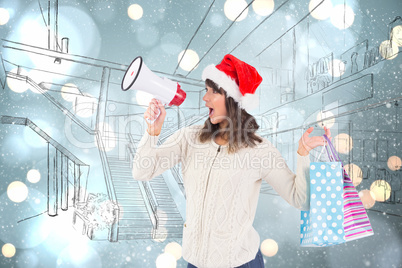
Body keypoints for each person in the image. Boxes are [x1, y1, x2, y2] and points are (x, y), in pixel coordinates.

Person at [132, 54, 332, 268]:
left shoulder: (259, 150)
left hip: (240, 263)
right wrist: (152, 133)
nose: (205, 98)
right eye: (206, 90)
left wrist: (303, 155)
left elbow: (300, 199)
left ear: (234, 100)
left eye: (214, 91)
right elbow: (142, 172)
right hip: (195, 262)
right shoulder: (188, 137)